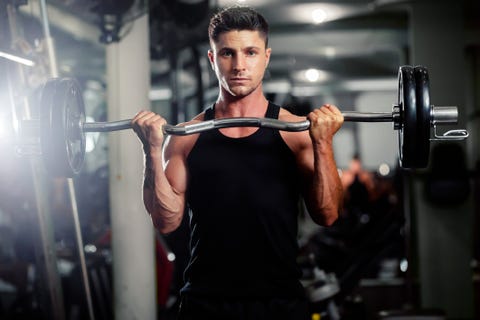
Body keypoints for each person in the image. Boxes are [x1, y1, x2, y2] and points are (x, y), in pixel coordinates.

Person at [132, 6, 344, 320]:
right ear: (212, 59)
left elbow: (327, 214)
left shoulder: (296, 133)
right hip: (205, 303)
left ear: (267, 57)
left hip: (279, 303)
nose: (239, 65)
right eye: (228, 53)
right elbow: (167, 221)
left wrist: (323, 143)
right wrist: (151, 150)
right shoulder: (186, 137)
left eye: (251, 52)